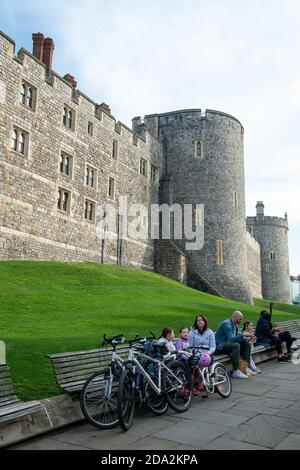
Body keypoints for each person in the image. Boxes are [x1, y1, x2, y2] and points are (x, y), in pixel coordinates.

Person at [215, 311, 254, 379]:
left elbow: (237, 336)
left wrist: (246, 339)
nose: (241, 321)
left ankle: (245, 367)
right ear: (234, 317)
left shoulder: (235, 325)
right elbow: (231, 339)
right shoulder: (226, 324)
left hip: (228, 345)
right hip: (220, 347)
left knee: (246, 344)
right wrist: (243, 334)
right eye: (240, 319)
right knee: (236, 345)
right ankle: (235, 371)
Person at [188, 315, 216, 396]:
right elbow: (190, 346)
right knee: (195, 364)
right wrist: (195, 353)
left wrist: (208, 353)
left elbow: (213, 346)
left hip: (207, 353)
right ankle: (198, 384)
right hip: (197, 353)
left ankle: (210, 383)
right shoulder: (192, 333)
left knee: (206, 361)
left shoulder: (210, 332)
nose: (200, 321)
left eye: (202, 320)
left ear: (205, 321)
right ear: (196, 322)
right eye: (198, 320)